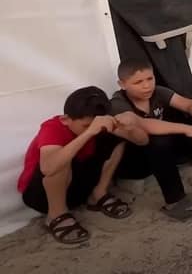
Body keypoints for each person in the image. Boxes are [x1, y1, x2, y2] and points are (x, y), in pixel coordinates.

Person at [110, 59, 192, 220]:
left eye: (150, 79)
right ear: (122, 84)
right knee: (158, 141)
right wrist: (188, 130)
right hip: (135, 159)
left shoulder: (158, 92)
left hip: (163, 151)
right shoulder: (118, 103)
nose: (146, 85)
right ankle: (174, 201)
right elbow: (147, 126)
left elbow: (191, 105)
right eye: (138, 82)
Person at [18, 86, 147, 244]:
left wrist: (130, 128)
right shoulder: (52, 127)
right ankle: (56, 215)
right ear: (66, 119)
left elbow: (142, 141)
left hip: (77, 186)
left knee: (116, 140)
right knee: (60, 160)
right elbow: (48, 168)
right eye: (85, 125)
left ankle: (98, 194)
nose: (94, 129)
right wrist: (89, 132)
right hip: (41, 195)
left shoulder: (100, 122)